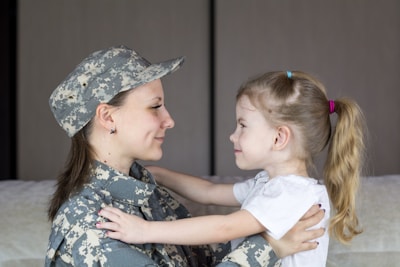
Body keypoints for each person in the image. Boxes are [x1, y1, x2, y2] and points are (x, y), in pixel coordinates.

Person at [45, 46, 325, 267]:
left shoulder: (147, 192)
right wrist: (270, 246)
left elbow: (205, 255)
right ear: (108, 117)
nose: (169, 120)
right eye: (155, 107)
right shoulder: (92, 222)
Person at [96, 70, 366, 267]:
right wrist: (160, 175)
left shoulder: (291, 194)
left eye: (243, 126)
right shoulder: (270, 183)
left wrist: (144, 230)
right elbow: (209, 192)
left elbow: (224, 228)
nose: (233, 135)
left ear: (279, 138)